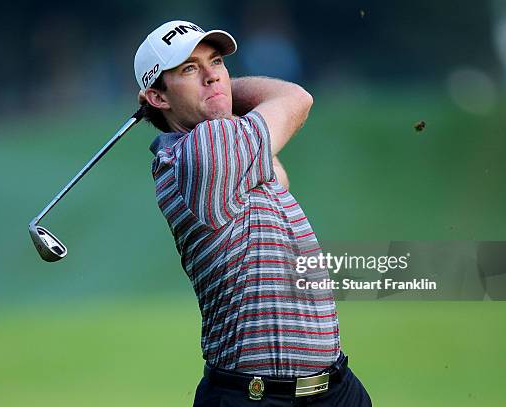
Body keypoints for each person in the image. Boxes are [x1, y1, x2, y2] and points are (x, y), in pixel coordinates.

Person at [134, 20, 371, 406]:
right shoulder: (205, 150)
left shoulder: (222, 150)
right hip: (256, 397)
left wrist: (208, 89)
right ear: (157, 97)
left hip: (335, 389)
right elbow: (296, 99)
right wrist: (221, 90)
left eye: (216, 62)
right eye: (189, 69)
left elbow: (279, 175)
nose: (213, 75)